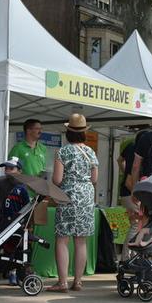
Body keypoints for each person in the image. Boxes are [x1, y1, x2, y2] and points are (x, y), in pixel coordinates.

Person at [48, 113, 99, 292]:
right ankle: (77, 281)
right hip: (86, 197)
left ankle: (62, 282)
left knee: (62, 239)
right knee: (81, 241)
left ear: (68, 131)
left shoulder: (62, 152)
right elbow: (94, 178)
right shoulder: (90, 152)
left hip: (68, 197)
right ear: (84, 132)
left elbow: (57, 179)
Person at [0, 157, 30, 286]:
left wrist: (26, 224)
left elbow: (27, 208)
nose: (7, 171)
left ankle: (13, 273)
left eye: (11, 168)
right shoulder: (0, 186)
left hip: (15, 225)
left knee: (12, 249)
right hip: (0, 223)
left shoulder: (22, 189)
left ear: (19, 171)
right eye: (6, 168)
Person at [118, 129, 148, 261]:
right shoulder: (141, 151)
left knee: (134, 224)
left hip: (125, 191)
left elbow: (119, 160)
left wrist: (124, 171)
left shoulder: (130, 146)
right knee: (137, 224)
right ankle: (127, 258)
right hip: (132, 190)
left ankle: (129, 257)